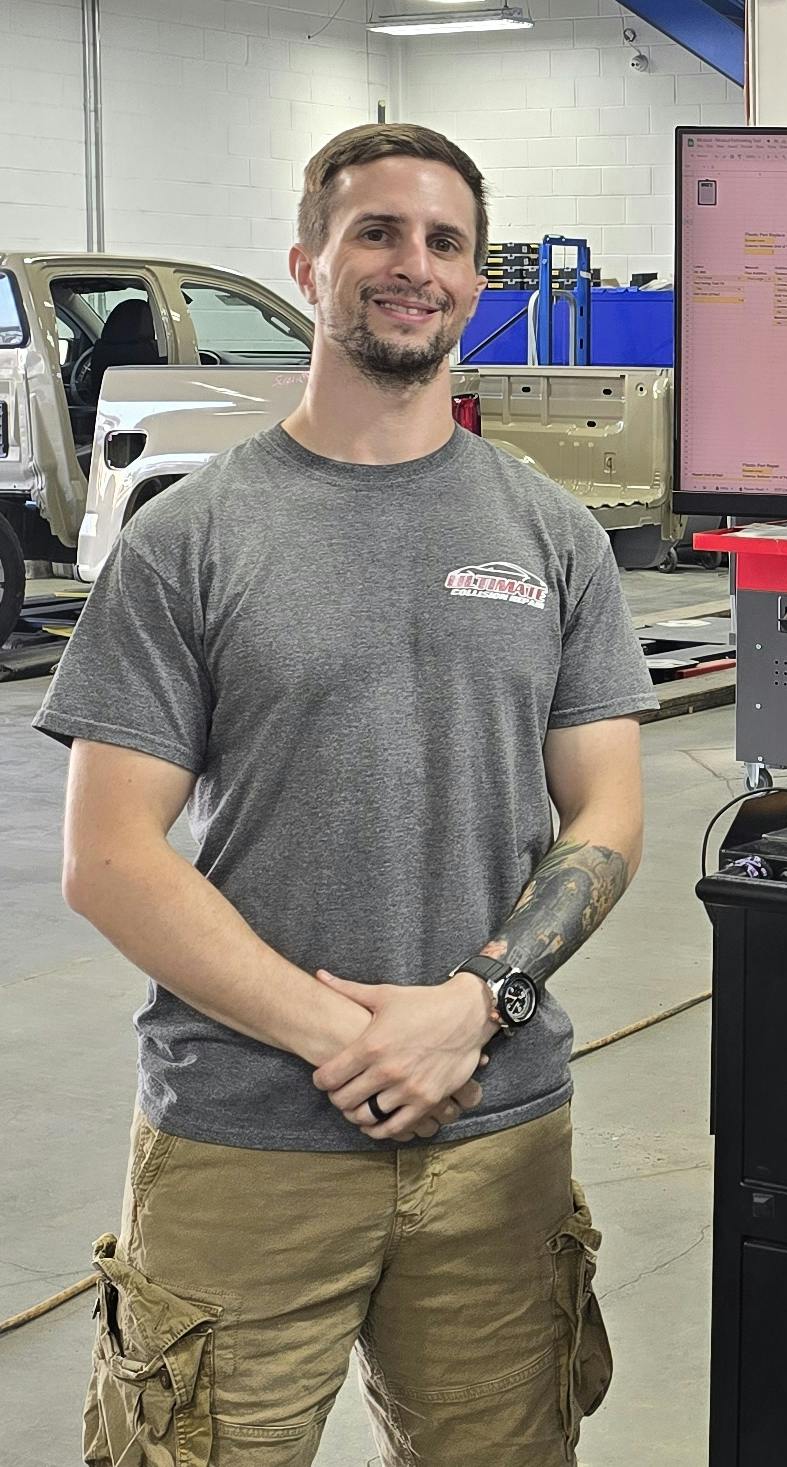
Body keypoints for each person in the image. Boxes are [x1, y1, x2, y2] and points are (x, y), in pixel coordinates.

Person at [37, 122, 657, 1465]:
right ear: (309, 262)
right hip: (241, 1140)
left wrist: (470, 1007)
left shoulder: (551, 536)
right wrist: (351, 1036)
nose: (411, 264)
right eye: (376, 231)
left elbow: (606, 814)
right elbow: (111, 858)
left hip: (497, 1140)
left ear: (477, 284)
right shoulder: (190, 539)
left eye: (445, 242)